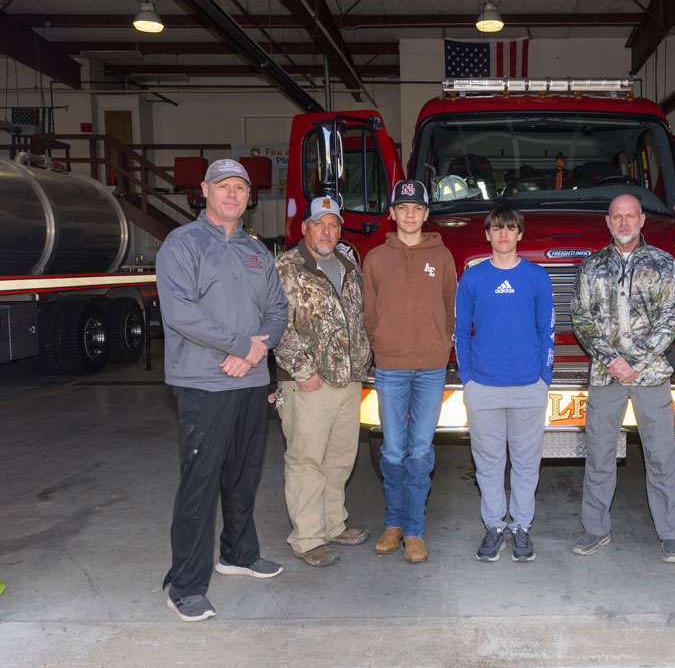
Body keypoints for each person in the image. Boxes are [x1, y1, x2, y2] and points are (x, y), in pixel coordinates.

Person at [157, 158, 289, 622]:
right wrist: (241, 346)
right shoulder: (182, 244)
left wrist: (257, 351)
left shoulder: (256, 250)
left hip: (251, 380)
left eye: (240, 187)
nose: (233, 194)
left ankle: (238, 553)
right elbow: (180, 313)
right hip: (203, 380)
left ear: (249, 196)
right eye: (223, 186)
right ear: (205, 191)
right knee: (201, 481)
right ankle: (186, 584)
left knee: (244, 473)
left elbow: (278, 309)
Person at [570, 193, 675, 563]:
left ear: (641, 221)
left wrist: (634, 361)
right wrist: (612, 360)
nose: (623, 223)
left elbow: (673, 318)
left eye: (630, 216)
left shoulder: (664, 263)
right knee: (600, 455)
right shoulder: (592, 266)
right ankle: (595, 529)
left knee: (661, 457)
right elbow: (581, 318)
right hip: (606, 377)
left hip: (651, 376)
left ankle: (671, 534)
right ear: (608, 222)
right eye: (617, 217)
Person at [273, 196, 373, 567]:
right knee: (306, 460)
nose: (326, 231)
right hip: (308, 383)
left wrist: (362, 363)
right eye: (319, 224)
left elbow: (357, 318)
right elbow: (274, 324)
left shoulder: (349, 265)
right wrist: (302, 371)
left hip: (348, 381)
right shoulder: (287, 266)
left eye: (333, 224)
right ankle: (307, 538)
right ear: (305, 228)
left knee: (340, 459)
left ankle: (334, 525)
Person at [361, 180, 457, 564]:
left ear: (426, 214)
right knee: (392, 450)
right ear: (393, 213)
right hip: (391, 366)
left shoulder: (444, 256)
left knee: (420, 451)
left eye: (417, 208)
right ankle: (393, 523)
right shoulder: (376, 259)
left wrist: (441, 344)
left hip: (432, 367)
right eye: (403, 208)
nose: (410, 214)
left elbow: (450, 306)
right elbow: (369, 312)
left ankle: (414, 530)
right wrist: (382, 343)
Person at [455, 206, 554, 562]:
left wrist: (545, 378)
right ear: (487, 234)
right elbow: (460, 334)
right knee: (489, 463)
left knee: (527, 463)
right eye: (497, 228)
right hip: (484, 388)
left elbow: (548, 331)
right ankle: (495, 526)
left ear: (520, 234)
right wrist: (467, 379)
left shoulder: (537, 277)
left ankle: (522, 528)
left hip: (529, 386)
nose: (503, 235)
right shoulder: (473, 278)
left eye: (510, 228)